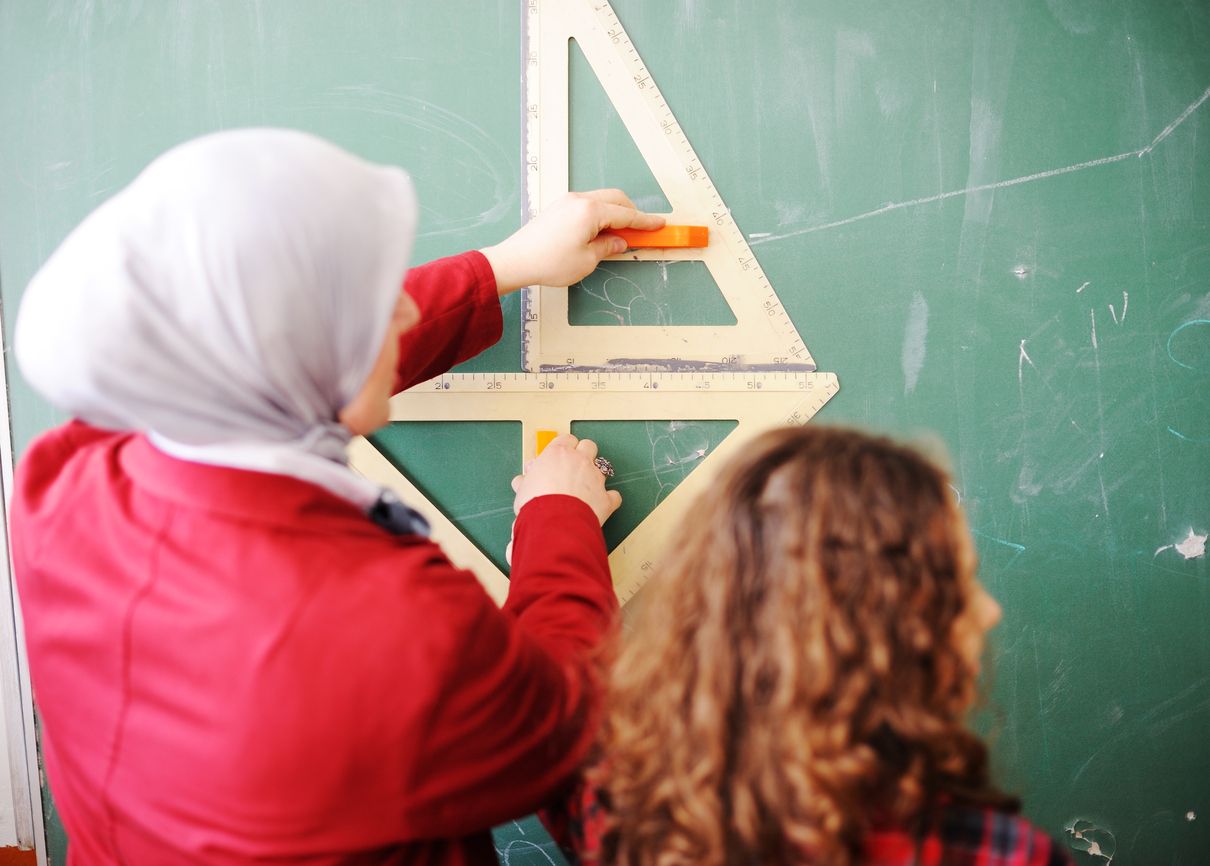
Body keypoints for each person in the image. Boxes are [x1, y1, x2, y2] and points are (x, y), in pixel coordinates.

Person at [10, 128, 662, 865]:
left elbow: (256, 347)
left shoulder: (62, 482)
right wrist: (560, 518)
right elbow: (559, 722)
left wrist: (501, 268)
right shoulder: (391, 627)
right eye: (375, 305)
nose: (406, 313)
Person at [542, 426, 1074, 866]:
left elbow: (555, 683)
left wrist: (558, 512)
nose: (989, 611)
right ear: (875, 631)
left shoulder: (624, 811)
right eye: (959, 584)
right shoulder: (996, 855)